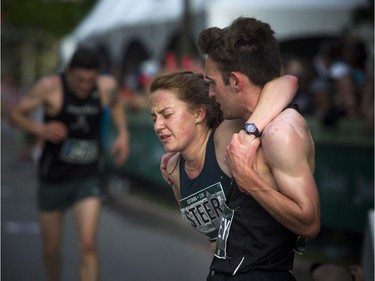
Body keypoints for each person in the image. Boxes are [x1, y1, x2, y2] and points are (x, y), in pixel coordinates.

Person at [197, 17, 320, 280]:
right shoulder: (250, 123)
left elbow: (309, 221)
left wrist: (248, 179)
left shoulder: (281, 132)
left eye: (213, 83)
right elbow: (287, 81)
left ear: (235, 81)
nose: (210, 93)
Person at [10, 45, 129, 281]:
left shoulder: (106, 87)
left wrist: (123, 134)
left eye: (89, 80)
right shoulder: (49, 87)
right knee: (51, 250)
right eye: (79, 80)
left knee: (88, 246)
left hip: (88, 175)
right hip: (53, 176)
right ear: (68, 71)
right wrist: (40, 129)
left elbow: (115, 103)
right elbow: (15, 114)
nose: (85, 86)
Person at [151, 70, 298, 253]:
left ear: (198, 114)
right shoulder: (174, 170)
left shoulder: (225, 137)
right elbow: (216, 238)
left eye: (167, 115)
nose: (157, 126)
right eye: (154, 117)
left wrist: (249, 131)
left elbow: (286, 82)